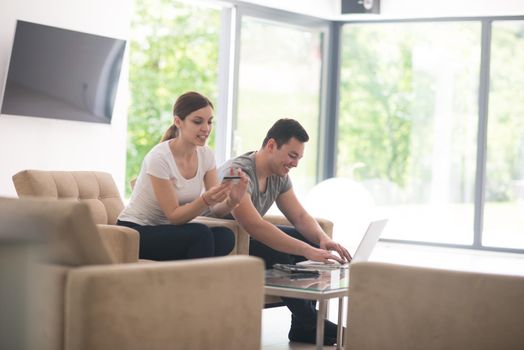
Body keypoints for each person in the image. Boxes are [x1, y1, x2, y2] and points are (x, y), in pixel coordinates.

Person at [207, 118, 352, 345]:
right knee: (279, 254)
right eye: (292, 156)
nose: (295, 163)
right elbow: (253, 224)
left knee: (311, 243)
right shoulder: (236, 172)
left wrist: (322, 240)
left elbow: (300, 217)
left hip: (249, 237)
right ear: (272, 145)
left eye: (299, 158)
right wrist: (306, 249)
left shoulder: (279, 175)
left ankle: (304, 327)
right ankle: (312, 320)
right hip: (227, 241)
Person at [117, 91, 248, 261]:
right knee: (200, 235)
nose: (206, 128)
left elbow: (216, 209)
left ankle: (186, 276)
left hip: (167, 230)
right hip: (136, 231)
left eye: (209, 122)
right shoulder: (159, 157)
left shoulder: (206, 155)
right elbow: (174, 216)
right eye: (197, 121)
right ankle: (196, 285)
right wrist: (205, 200)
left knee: (225, 236)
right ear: (178, 121)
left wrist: (233, 200)